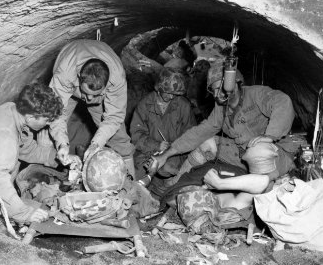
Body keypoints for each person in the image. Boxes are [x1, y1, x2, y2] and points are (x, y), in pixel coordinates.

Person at [150, 60, 295, 187]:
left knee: (258, 151)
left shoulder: (256, 94)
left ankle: (263, 187)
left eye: (222, 88)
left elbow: (282, 101)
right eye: (214, 90)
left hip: (272, 156)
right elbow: (199, 132)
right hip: (242, 155)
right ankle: (176, 182)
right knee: (207, 143)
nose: (218, 94)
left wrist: (270, 135)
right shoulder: (221, 108)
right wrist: (166, 154)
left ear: (236, 83)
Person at [0, 83, 66, 224]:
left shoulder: (13, 112)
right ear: (31, 118)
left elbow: (27, 150)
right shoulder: (5, 134)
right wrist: (24, 213)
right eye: (46, 120)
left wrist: (57, 157)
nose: (47, 124)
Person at [49, 39, 135, 177]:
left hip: (100, 92)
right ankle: (46, 179)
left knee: (119, 139)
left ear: (106, 85)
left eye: (94, 95)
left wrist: (96, 144)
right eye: (86, 93)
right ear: (79, 78)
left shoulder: (117, 77)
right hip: (69, 88)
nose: (88, 99)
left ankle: (132, 184)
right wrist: (62, 144)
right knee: (48, 136)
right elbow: (55, 113)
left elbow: (114, 117)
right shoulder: (64, 72)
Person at [130, 68, 197, 182]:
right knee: (134, 177)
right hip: (148, 151)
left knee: (168, 168)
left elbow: (191, 134)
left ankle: (164, 186)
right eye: (168, 93)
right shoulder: (144, 105)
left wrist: (173, 147)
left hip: (175, 153)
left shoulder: (183, 105)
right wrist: (157, 145)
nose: (171, 97)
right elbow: (136, 136)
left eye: (175, 94)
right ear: (159, 87)